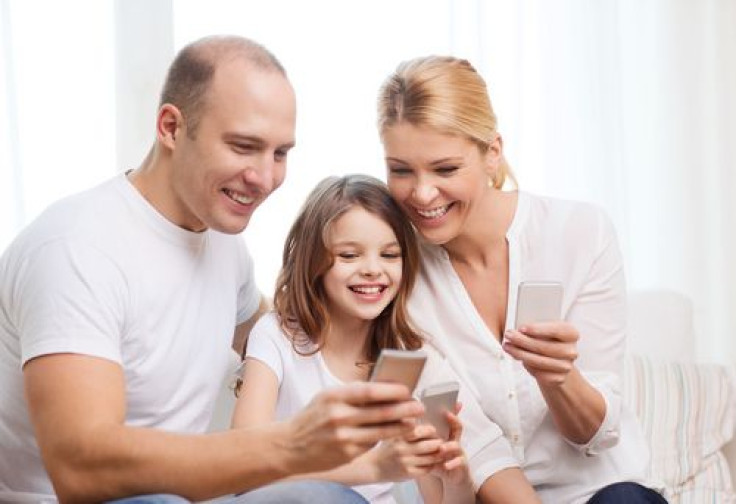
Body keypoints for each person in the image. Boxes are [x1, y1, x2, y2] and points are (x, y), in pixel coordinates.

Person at [0, 35, 425, 504]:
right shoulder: (75, 248)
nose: (265, 178)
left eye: (280, 153)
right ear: (170, 127)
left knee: (329, 497)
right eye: (244, 147)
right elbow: (80, 470)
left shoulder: (224, 246)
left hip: (186, 498)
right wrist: (293, 444)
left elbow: (282, 329)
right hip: (82, 500)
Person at [375, 56, 668, 504]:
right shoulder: (397, 277)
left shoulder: (579, 233)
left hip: (601, 492)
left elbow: (597, 435)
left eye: (445, 169)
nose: (422, 193)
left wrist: (558, 378)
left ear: (492, 152)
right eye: (401, 170)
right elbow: (472, 443)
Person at [232, 174, 540, 504]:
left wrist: (456, 480)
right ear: (314, 262)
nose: (372, 269)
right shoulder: (277, 335)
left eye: (390, 255)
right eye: (349, 255)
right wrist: (372, 467)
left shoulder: (411, 356)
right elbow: (243, 469)